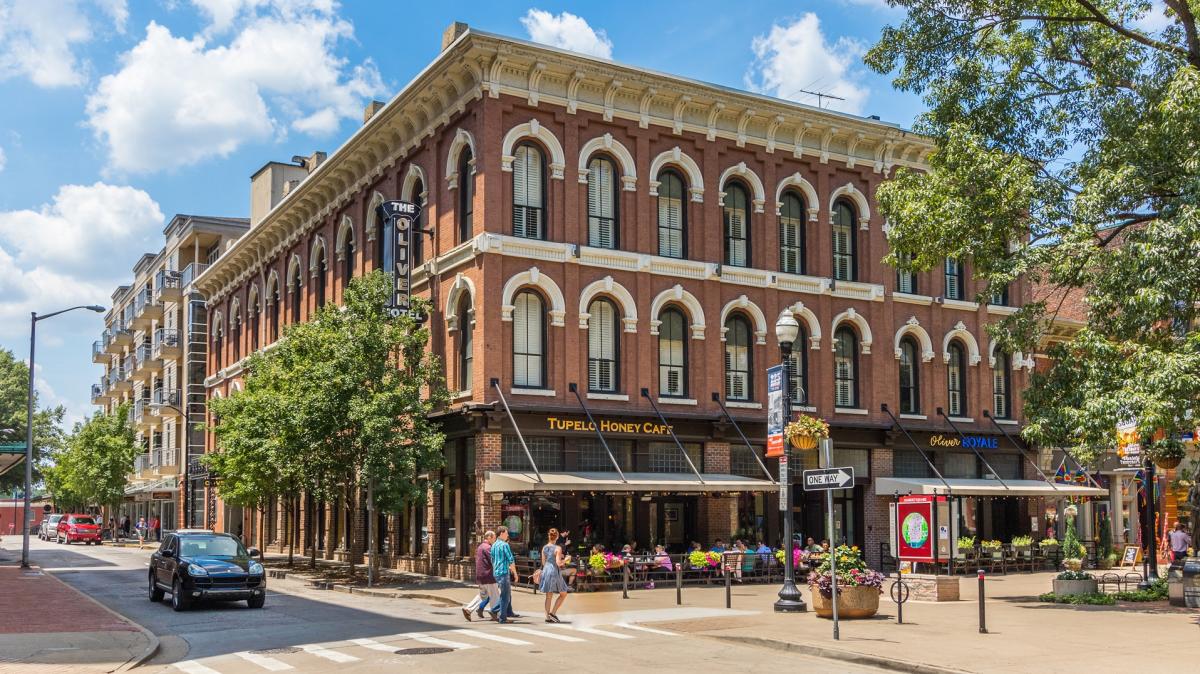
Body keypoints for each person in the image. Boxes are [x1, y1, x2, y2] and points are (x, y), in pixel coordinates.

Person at [462, 531, 499, 621]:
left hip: (480, 576)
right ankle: (496, 614)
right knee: (495, 595)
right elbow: (493, 560)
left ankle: (468, 609)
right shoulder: (488, 547)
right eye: (494, 537)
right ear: (489, 537)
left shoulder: (480, 547)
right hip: (488, 575)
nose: (495, 539)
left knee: (483, 595)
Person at [538, 528, 571, 623]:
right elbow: (559, 563)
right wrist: (566, 559)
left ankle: (547, 617)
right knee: (563, 593)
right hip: (554, 571)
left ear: (549, 536)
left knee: (548, 595)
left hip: (546, 570)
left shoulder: (544, 547)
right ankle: (553, 613)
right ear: (556, 537)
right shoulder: (558, 548)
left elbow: (543, 562)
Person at [491, 526, 519, 623]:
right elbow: (511, 560)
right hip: (503, 572)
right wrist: (515, 574)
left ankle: (495, 611)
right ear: (502, 533)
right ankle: (502, 617)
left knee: (504, 594)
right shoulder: (504, 545)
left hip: (496, 573)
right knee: (506, 596)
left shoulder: (494, 545)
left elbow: (492, 560)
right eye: (507, 533)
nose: (508, 535)